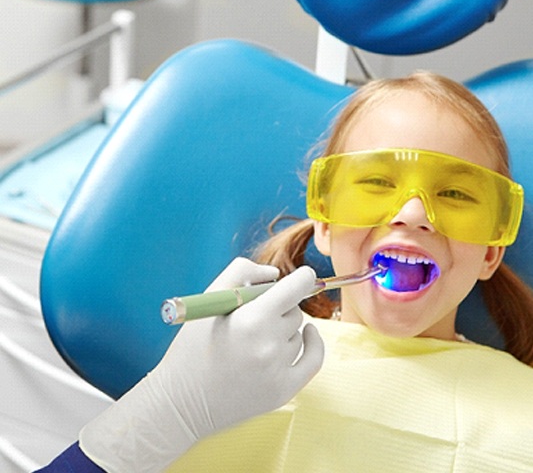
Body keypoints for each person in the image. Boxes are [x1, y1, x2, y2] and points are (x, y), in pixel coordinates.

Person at [72, 72, 533, 472]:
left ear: (492, 250)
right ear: (326, 224)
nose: (413, 214)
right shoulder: (237, 368)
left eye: (455, 195)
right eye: (375, 183)